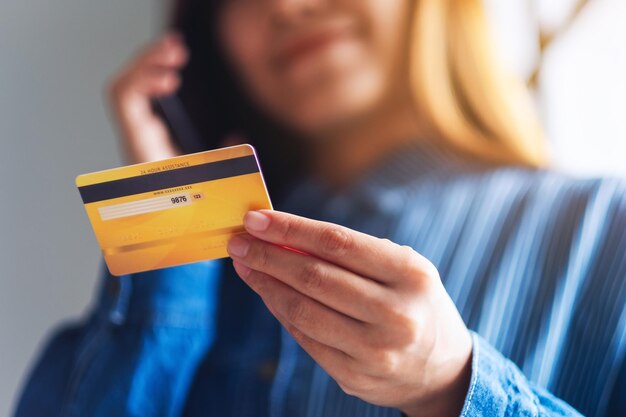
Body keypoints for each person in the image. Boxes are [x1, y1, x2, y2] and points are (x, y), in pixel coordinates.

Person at [14, 0, 626, 416]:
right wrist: (170, 219)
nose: (284, 5)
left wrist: (455, 387)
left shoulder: (608, 229)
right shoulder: (193, 248)